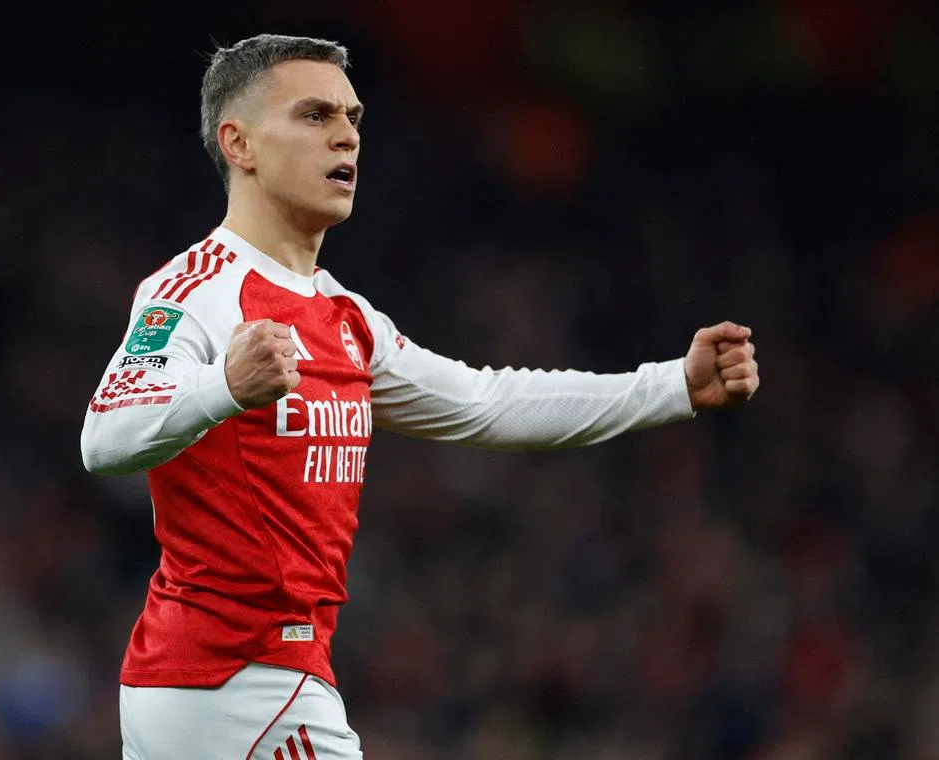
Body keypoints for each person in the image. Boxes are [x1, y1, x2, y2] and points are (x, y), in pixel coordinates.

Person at [80, 33, 760, 760]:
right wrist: (222, 387)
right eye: (314, 116)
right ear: (238, 144)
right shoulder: (197, 291)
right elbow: (104, 437)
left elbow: (486, 403)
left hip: (232, 683)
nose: (346, 135)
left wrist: (671, 384)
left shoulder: (346, 319)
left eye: (353, 116)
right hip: (233, 679)